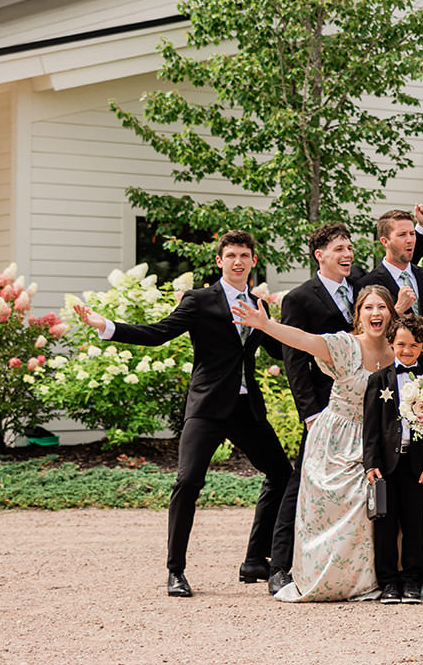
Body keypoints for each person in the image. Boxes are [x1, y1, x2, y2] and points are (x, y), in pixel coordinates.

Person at [73, 231, 293, 598]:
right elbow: (159, 333)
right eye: (231, 255)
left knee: (282, 474)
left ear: (254, 261)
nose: (238, 261)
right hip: (207, 407)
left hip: (245, 408)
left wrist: (322, 346)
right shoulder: (200, 300)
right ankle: (176, 571)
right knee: (188, 482)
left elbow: (276, 349)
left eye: (244, 255)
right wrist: (107, 327)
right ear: (219, 261)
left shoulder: (259, 304)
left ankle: (255, 559)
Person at [233, 284, 399, 603]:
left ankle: (360, 582)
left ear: (391, 314)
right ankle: (322, 578)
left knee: (365, 510)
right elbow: (306, 341)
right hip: (335, 438)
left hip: (373, 441)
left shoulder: (397, 351)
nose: (376, 313)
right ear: (359, 314)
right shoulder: (344, 345)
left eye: (382, 307)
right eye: (368, 307)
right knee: (330, 508)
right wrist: (267, 325)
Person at [268, 221, 357, 595]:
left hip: (363, 403)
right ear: (319, 256)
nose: (347, 254)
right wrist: (310, 411)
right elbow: (293, 360)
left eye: (349, 247)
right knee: (301, 481)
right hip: (324, 408)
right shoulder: (300, 298)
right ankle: (279, 565)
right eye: (339, 249)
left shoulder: (364, 289)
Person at [363, 314, 423, 604]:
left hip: (417, 465)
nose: (406, 350)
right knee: (385, 526)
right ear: (392, 344)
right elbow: (370, 426)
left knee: (414, 523)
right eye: (401, 344)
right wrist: (371, 463)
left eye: (413, 344)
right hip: (386, 466)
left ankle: (412, 580)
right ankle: (387, 582)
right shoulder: (378, 380)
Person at [358, 208, 423, 372]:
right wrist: (397, 310)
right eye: (402, 235)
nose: (410, 240)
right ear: (385, 241)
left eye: (412, 234)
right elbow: (366, 337)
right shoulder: (367, 285)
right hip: (390, 377)